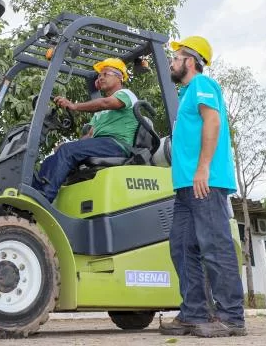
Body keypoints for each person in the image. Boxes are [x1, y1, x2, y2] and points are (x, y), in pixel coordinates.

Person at [160, 36, 247, 338]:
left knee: (215, 245)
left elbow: (212, 123)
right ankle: (194, 313)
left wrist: (203, 168)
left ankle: (231, 317)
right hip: (186, 187)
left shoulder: (203, 85)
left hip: (204, 182)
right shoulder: (186, 93)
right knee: (182, 247)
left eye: (176, 56)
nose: (171, 61)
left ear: (191, 61)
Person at [32, 58, 139, 202]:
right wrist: (69, 146)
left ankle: (43, 199)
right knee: (52, 158)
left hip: (117, 145)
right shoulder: (100, 112)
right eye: (99, 76)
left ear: (119, 77)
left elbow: (105, 102)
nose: (101, 78)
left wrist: (74, 106)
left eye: (105, 74)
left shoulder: (126, 94)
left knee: (68, 151)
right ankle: (35, 192)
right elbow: (90, 135)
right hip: (102, 143)